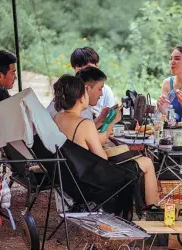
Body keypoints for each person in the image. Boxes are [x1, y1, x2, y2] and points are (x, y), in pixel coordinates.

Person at [52, 75, 159, 207]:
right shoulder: (84, 124)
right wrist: (112, 122)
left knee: (132, 162)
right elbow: (102, 158)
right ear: (81, 98)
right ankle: (154, 210)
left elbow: (81, 140)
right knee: (147, 162)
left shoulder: (58, 118)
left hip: (70, 180)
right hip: (90, 183)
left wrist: (102, 120)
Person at [47, 47, 116, 122]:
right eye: (80, 69)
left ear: (97, 66)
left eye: (89, 68)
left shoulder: (106, 91)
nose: (84, 73)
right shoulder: (67, 92)